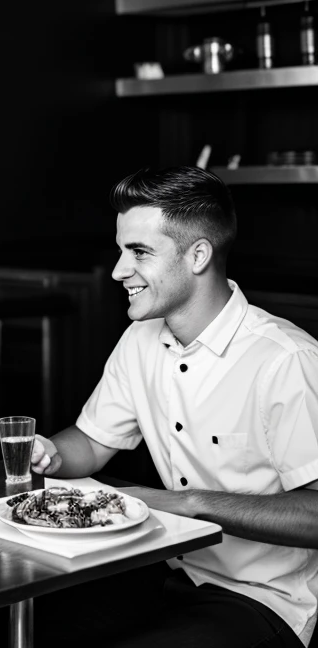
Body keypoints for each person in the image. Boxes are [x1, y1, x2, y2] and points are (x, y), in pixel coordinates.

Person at [31, 166, 318, 648]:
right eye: (121, 250)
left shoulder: (287, 360)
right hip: (162, 570)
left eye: (139, 252)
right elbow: (92, 442)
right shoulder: (140, 338)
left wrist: (189, 504)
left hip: (265, 599)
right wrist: (50, 455)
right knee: (28, 625)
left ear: (198, 255)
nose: (119, 270)